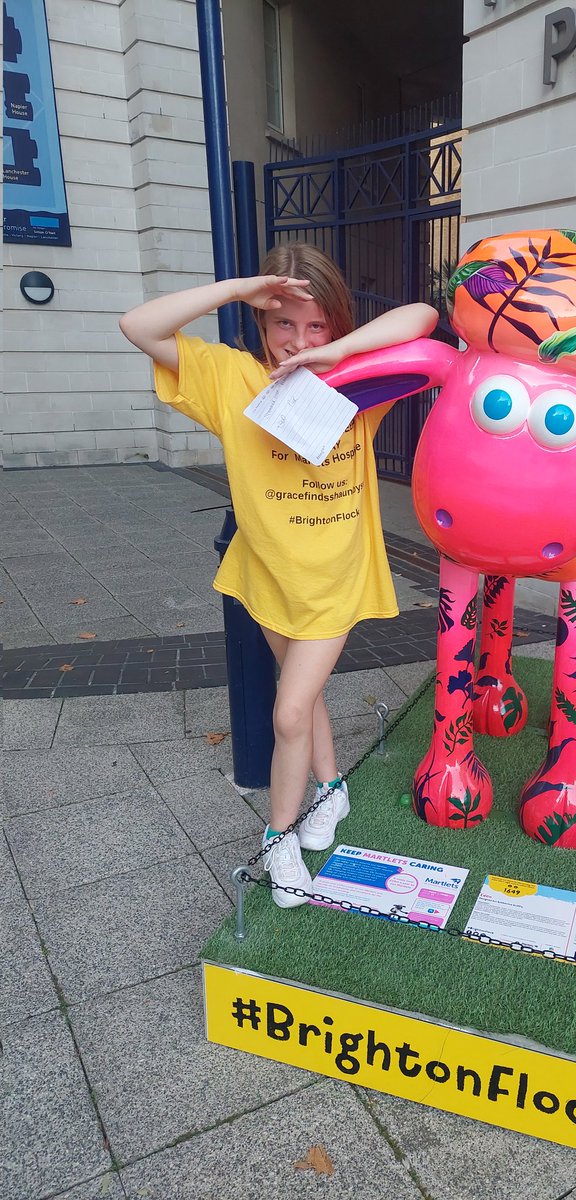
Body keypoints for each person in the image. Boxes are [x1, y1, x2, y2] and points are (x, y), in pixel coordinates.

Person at [120, 243, 437, 907]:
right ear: (260, 323)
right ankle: (332, 791)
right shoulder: (231, 379)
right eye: (284, 324)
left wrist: (331, 356)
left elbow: (422, 318)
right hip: (268, 577)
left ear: (337, 327)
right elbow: (139, 326)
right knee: (307, 697)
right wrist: (238, 287)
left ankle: (277, 840)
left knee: (289, 709)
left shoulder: (356, 380)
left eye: (316, 325)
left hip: (334, 580)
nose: (298, 340)